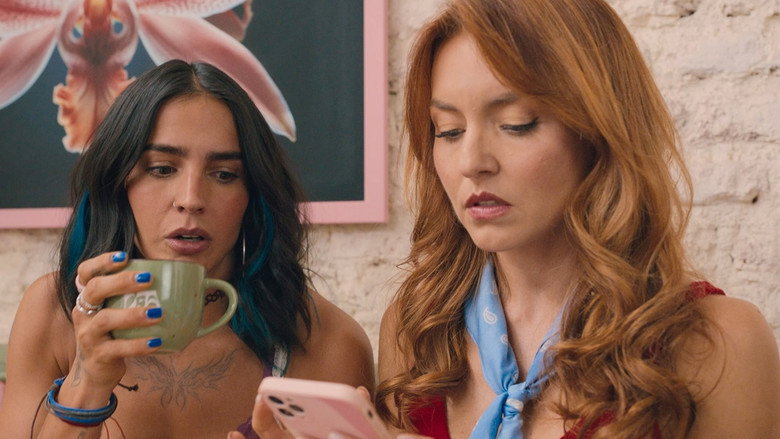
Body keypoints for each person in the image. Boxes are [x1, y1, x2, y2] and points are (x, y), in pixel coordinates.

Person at [375, 0, 780, 438]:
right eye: (449, 131)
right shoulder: (415, 329)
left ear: (599, 131)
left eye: (516, 124)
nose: (471, 162)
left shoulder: (719, 342)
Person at [0, 59, 374, 438]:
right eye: (162, 169)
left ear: (253, 195)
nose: (191, 199)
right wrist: (87, 383)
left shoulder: (328, 342)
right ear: (118, 183)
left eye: (224, 174)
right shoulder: (55, 313)